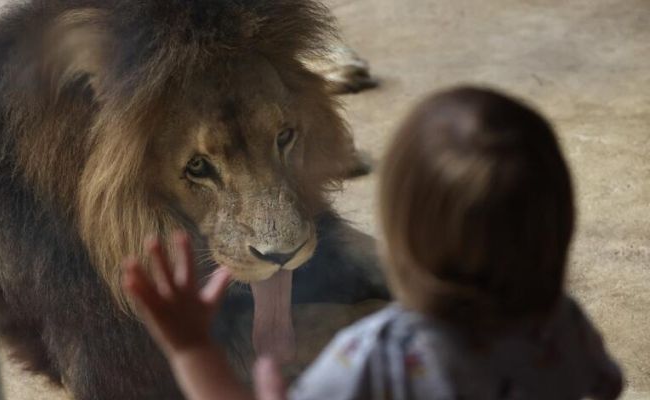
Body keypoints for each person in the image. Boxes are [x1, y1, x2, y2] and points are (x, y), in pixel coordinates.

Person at [122, 86, 624, 400]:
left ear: (402, 240)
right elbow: (606, 385)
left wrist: (192, 351)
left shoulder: (375, 353)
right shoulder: (561, 323)